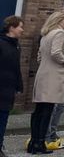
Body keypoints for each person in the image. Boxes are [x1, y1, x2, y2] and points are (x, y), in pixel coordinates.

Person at [29, 10, 64, 155]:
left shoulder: (46, 33)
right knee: (47, 111)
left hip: (43, 74)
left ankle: (34, 142)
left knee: (38, 111)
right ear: (61, 20)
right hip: (53, 76)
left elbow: (40, 55)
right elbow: (56, 52)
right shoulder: (59, 33)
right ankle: (40, 144)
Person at [0, 16, 23, 157]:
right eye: (20, 26)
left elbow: (16, 68)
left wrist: (19, 85)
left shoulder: (16, 45)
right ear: (12, 27)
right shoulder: (1, 44)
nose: (22, 29)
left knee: (3, 119)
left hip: (8, 91)